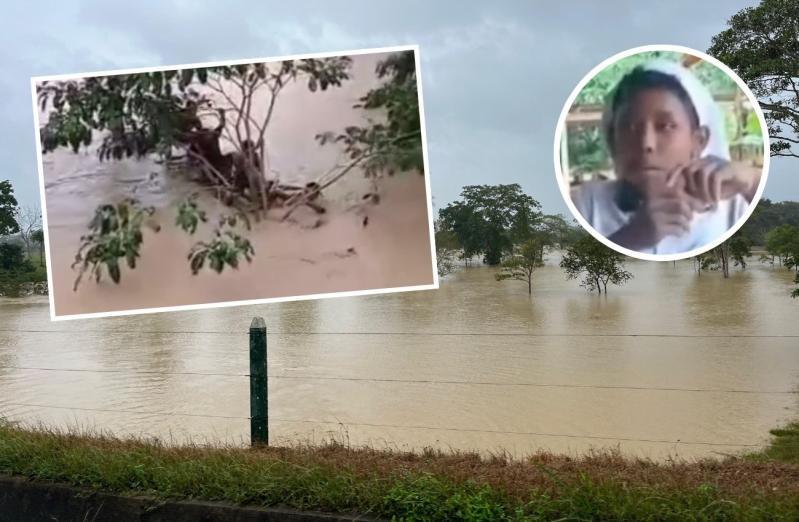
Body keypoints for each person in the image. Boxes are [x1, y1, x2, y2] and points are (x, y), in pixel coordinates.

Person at [570, 60, 761, 255]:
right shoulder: (587, 206)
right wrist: (632, 237)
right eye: (629, 128)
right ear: (612, 141)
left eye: (666, 126)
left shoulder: (735, 208)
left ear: (699, 141)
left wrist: (754, 181)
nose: (647, 144)